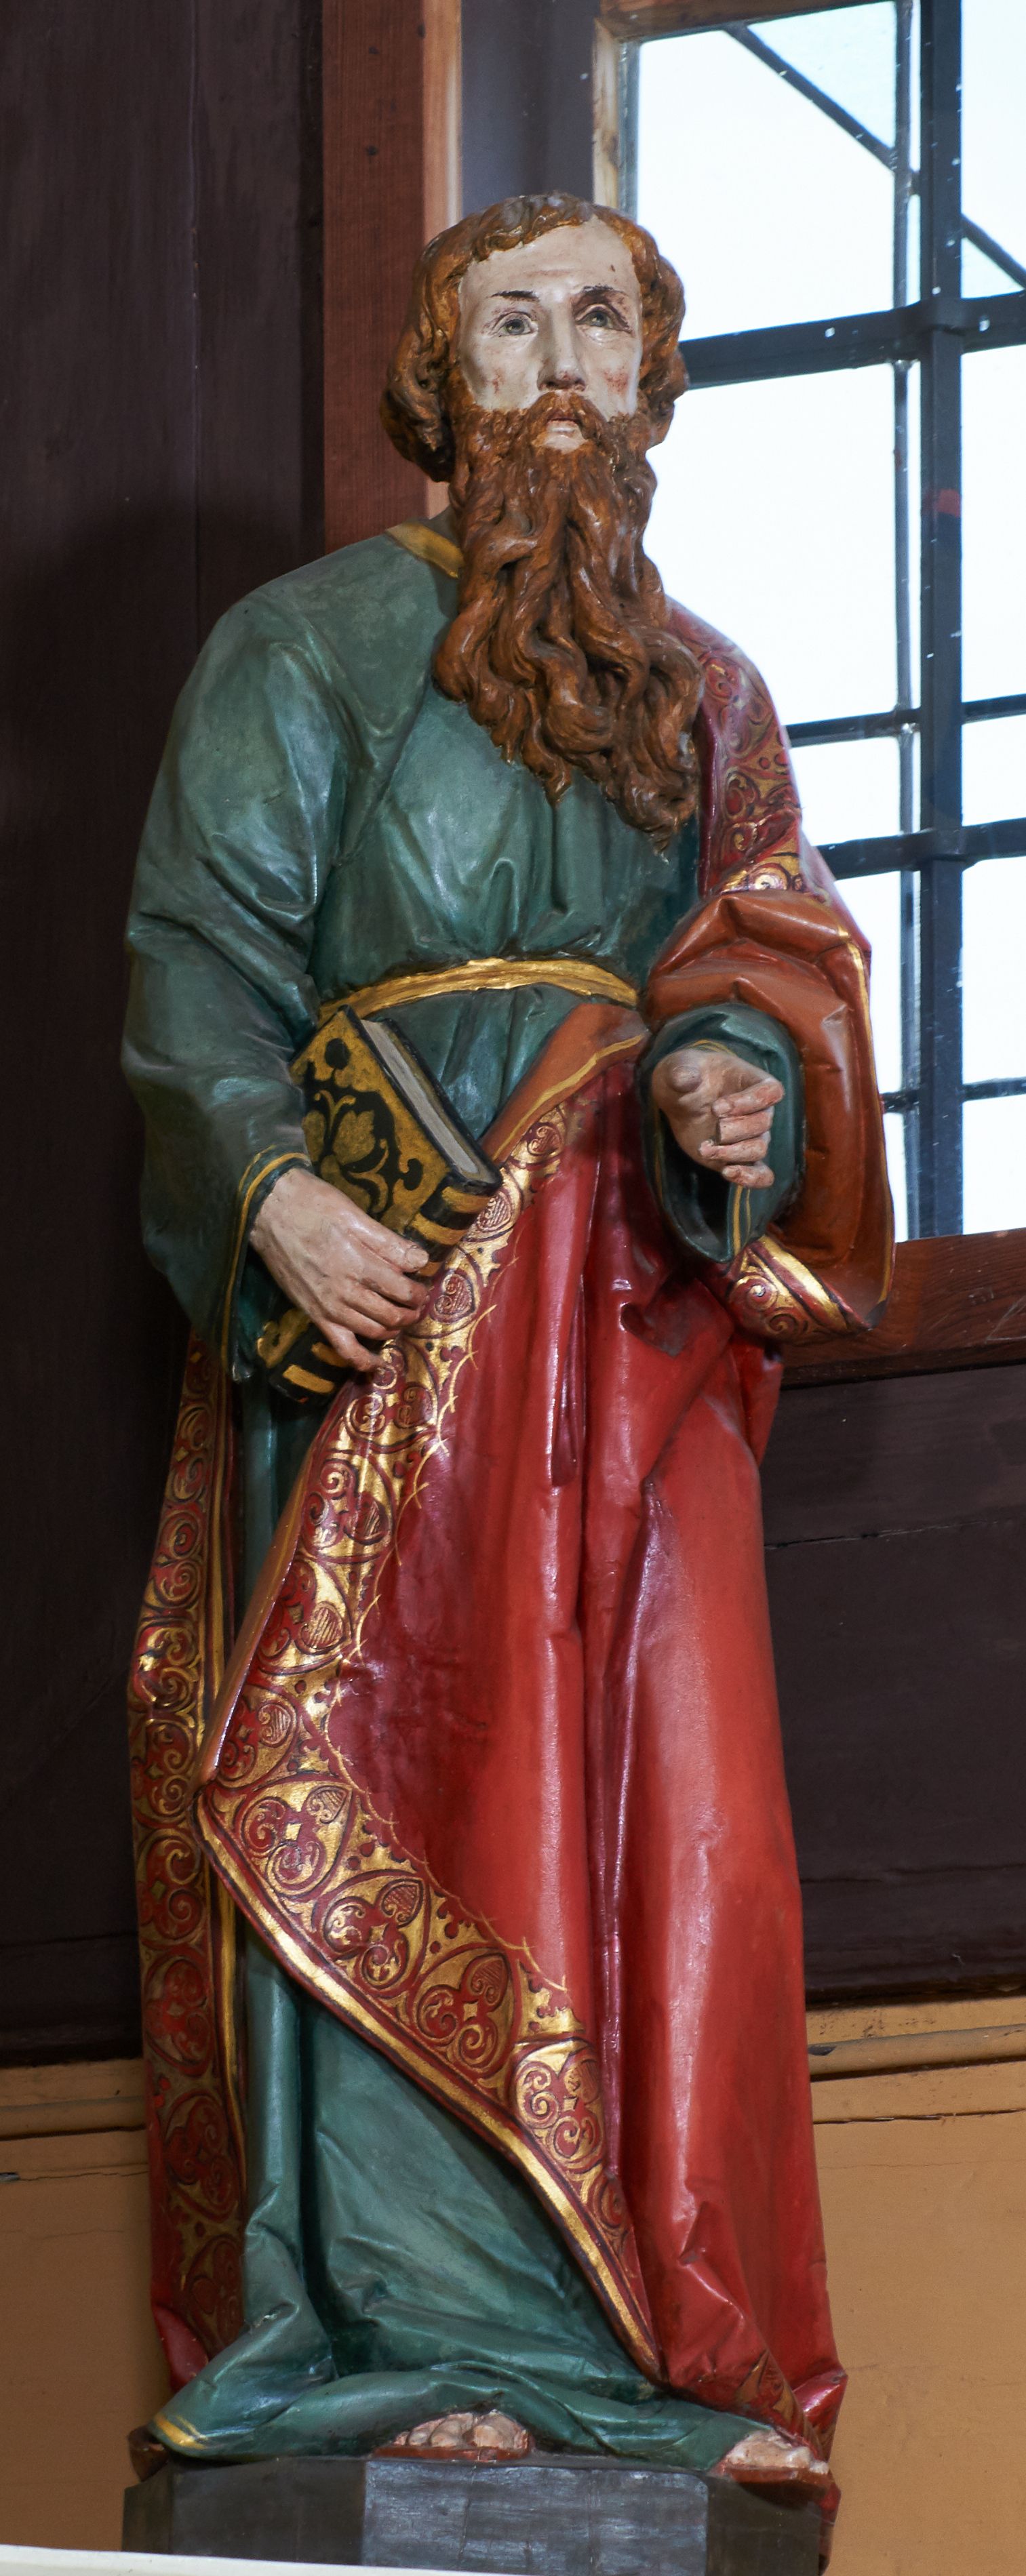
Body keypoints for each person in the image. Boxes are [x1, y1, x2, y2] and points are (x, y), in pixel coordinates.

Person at [124, 194, 890, 2534]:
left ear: (651, 384)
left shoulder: (713, 688)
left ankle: (649, 2340)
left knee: (675, 1817)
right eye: (512, 323)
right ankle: (399, 2341)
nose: (559, 364)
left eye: (600, 326)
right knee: (406, 1758)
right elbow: (197, 957)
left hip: (635, 1321)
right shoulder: (306, 643)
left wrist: (735, 1076)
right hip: (394, 1291)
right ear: (439, 377)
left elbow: (766, 949)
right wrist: (273, 1193)